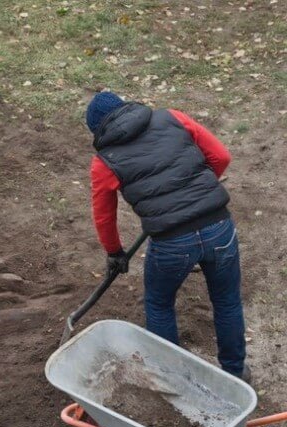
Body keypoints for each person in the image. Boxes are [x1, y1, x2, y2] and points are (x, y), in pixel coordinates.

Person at [87, 91, 249, 381]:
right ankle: (236, 373)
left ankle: (175, 378)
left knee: (159, 304)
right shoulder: (171, 117)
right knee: (227, 301)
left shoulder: (104, 162)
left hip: (173, 242)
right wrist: (199, 187)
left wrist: (114, 251)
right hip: (219, 227)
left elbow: (104, 215)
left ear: (99, 130)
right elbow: (221, 156)